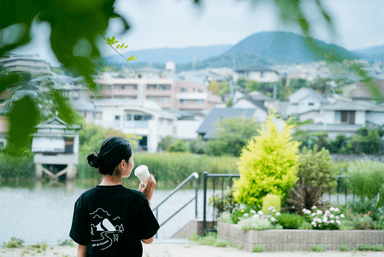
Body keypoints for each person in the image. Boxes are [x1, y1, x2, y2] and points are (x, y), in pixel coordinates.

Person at [69, 137, 159, 257]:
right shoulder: (136, 199)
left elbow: (82, 246)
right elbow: (148, 239)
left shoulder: (84, 199)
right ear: (123, 164)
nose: (132, 164)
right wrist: (146, 200)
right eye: (131, 159)